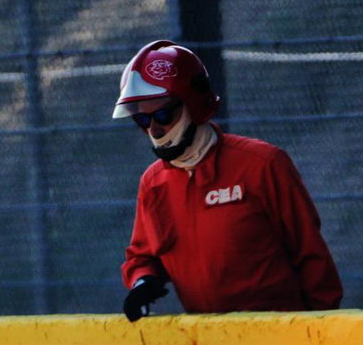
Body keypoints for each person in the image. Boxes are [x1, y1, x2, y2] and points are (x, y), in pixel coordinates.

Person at [113, 40, 343, 318]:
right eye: (142, 119)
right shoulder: (154, 184)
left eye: (163, 113)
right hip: (210, 344)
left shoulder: (262, 164)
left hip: (282, 338)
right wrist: (143, 281)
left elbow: (311, 255)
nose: (155, 128)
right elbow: (142, 255)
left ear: (193, 103)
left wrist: (321, 331)